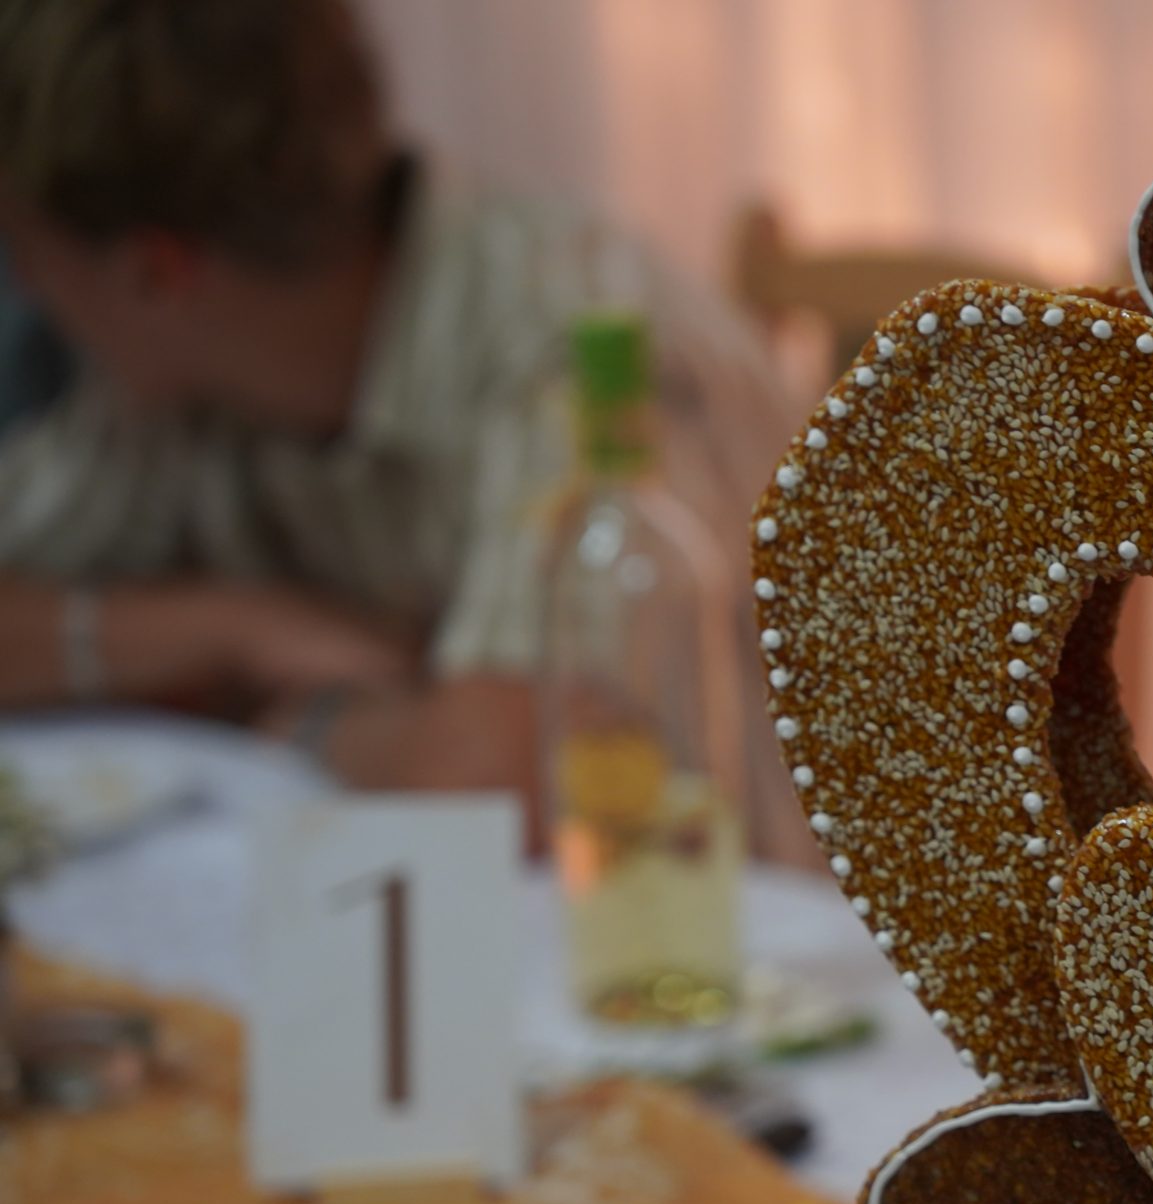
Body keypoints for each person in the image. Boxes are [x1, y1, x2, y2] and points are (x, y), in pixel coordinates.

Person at [0, 0, 793, 816]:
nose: (26, 288)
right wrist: (227, 629)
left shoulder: (569, 338)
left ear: (153, 273)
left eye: (24, 248)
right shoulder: (187, 381)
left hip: (757, 888)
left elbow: (495, 774)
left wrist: (286, 715)